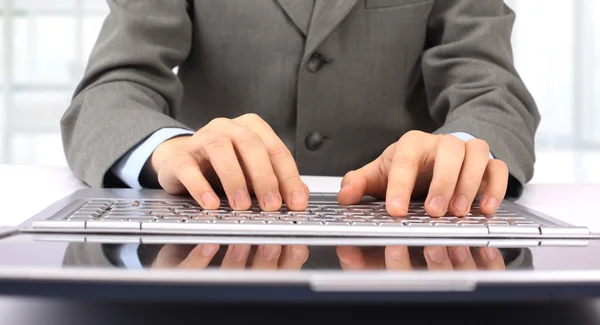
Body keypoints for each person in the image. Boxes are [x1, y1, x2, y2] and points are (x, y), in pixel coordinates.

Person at [61, 0, 540, 217]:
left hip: (405, 231)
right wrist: (170, 151)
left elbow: (493, 91)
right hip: (215, 225)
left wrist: (457, 153)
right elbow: (112, 88)